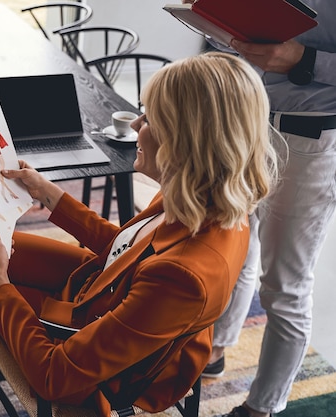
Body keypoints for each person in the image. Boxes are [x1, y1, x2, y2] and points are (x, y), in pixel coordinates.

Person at [0, 52, 278, 415]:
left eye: (150, 118)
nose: (136, 125)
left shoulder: (185, 277)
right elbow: (127, 248)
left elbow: (57, 375)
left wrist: (0, 282)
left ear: (185, 143)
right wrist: (51, 195)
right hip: (105, 285)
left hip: (88, 367)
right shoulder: (204, 196)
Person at [191, 2, 336, 417]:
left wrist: (302, 59)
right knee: (234, 241)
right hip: (248, 122)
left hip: (311, 140)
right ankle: (216, 349)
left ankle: (261, 408)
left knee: (286, 286)